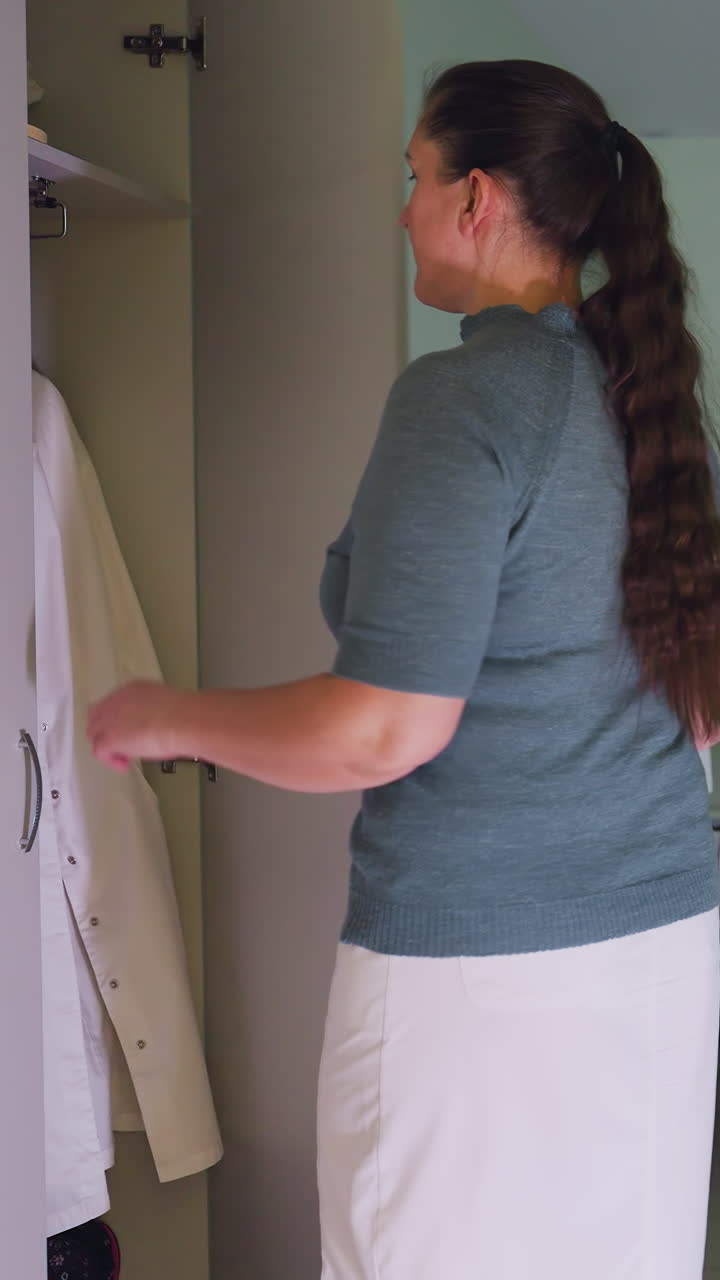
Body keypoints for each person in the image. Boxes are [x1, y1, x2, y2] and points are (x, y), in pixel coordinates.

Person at [87, 58, 720, 1280]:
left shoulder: (467, 397)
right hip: (658, 950)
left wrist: (163, 713)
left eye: (415, 179)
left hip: (483, 984)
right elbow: (698, 699)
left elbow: (386, 728)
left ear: (476, 198)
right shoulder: (645, 399)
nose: (403, 210)